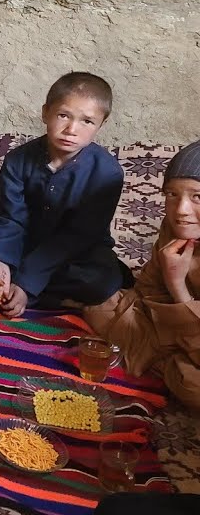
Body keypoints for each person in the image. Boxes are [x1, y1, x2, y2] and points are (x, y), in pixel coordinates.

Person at [0, 73, 128, 316]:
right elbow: (8, 218)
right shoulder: (18, 159)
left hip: (74, 249)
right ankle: (30, 295)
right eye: (63, 115)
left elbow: (79, 235)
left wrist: (28, 284)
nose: (72, 129)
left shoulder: (107, 173)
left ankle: (23, 294)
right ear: (45, 113)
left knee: (100, 283)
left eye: (87, 122)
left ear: (101, 125)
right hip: (20, 240)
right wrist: (0, 262)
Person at [85, 140, 200, 410]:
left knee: (192, 385)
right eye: (172, 194)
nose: (181, 210)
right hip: (170, 326)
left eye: (197, 196)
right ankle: (165, 361)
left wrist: (177, 285)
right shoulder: (175, 226)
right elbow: (146, 289)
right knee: (97, 305)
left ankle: (161, 361)